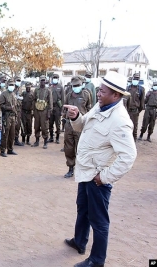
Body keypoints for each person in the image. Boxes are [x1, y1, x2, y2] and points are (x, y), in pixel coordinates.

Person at [64, 71, 137, 267]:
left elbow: (128, 156)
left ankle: (97, 261)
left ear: (115, 95)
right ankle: (79, 242)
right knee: (83, 210)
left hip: (98, 178)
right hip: (86, 171)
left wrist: (104, 177)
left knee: (99, 221)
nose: (98, 94)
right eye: (99, 90)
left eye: (102, 91)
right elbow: (82, 126)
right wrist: (76, 116)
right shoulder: (100, 106)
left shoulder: (120, 121)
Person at [62, 76, 91, 178]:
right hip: (69, 125)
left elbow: (89, 108)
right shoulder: (69, 95)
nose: (76, 87)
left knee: (81, 147)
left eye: (78, 85)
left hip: (81, 125)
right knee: (69, 147)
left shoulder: (86, 94)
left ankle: (81, 168)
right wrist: (64, 117)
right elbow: (64, 109)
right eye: (74, 86)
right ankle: (70, 168)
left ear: (81, 85)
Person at [33, 75, 53, 149]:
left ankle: (45, 142)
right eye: (41, 80)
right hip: (37, 111)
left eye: (44, 80)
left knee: (45, 127)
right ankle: (37, 141)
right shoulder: (36, 90)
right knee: (36, 126)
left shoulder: (48, 91)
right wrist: (33, 111)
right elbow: (34, 100)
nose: (43, 82)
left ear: (46, 81)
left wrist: (49, 112)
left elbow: (50, 102)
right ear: (39, 81)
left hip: (44, 111)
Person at [0, 79, 18, 157]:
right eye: (10, 85)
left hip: (13, 116)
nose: (12, 86)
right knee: (5, 134)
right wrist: (8, 107)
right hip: (6, 116)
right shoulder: (4, 94)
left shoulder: (13, 94)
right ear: (7, 85)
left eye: (13, 85)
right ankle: (2, 150)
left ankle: (10, 149)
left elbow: (15, 106)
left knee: (12, 134)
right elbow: (0, 105)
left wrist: (16, 117)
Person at [126, 72, 145, 141]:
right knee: (126, 126)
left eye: (137, 79)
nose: (135, 80)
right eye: (135, 78)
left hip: (135, 111)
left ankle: (133, 141)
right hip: (127, 111)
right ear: (132, 79)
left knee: (134, 127)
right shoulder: (128, 88)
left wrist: (138, 111)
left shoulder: (141, 89)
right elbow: (125, 100)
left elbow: (142, 101)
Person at [48, 73, 64, 144]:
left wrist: (62, 110)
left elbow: (63, 99)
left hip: (58, 107)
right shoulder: (50, 87)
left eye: (56, 78)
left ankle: (57, 138)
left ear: (58, 79)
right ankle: (51, 137)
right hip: (51, 107)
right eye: (53, 78)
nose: (54, 79)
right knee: (50, 124)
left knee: (57, 124)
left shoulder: (60, 87)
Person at [13, 76, 24, 146]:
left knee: (18, 125)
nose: (18, 82)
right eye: (17, 80)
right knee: (11, 125)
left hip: (18, 109)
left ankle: (16, 139)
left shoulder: (20, 89)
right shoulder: (11, 88)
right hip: (12, 109)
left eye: (19, 80)